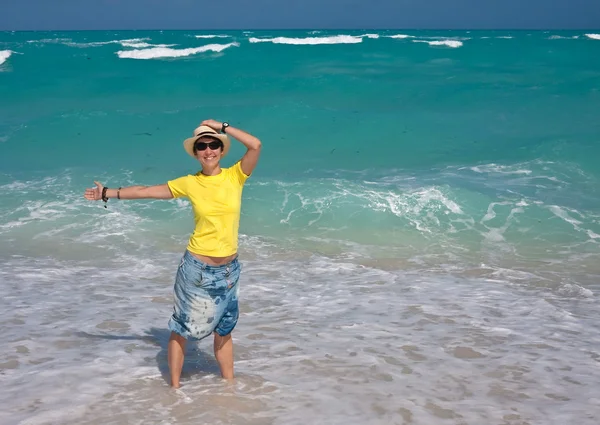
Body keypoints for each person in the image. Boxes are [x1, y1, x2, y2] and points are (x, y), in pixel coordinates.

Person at [84, 119, 261, 388]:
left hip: (230, 270)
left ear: (222, 150)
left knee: (225, 329)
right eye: (202, 146)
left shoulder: (235, 176)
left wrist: (222, 127)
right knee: (182, 330)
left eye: (214, 144)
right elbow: (146, 192)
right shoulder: (189, 183)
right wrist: (108, 193)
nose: (209, 150)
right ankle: (174, 391)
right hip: (197, 270)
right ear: (195, 152)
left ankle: (229, 389)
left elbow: (255, 145)